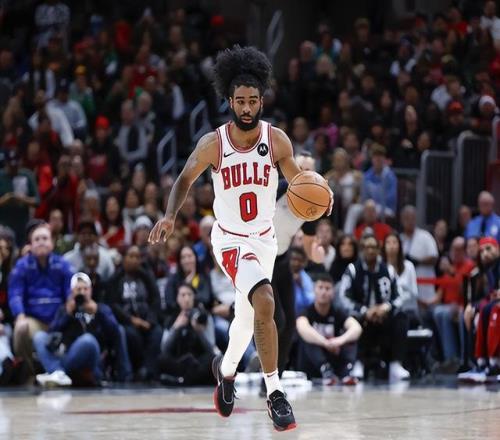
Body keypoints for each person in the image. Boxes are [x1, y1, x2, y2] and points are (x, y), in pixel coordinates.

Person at [149, 45, 332, 432]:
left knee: (248, 320)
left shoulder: (277, 140)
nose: (247, 108)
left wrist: (320, 197)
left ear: (261, 101)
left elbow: (298, 183)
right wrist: (170, 215)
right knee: (265, 300)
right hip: (230, 241)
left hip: (265, 240)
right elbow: (184, 178)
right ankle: (275, 393)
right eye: (240, 101)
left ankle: (226, 370)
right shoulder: (213, 144)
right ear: (230, 102)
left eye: (253, 101)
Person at [34, 272, 132, 387]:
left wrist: (98, 312)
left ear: (91, 290)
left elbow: (116, 332)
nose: (82, 292)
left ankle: (55, 371)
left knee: (87, 340)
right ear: (72, 292)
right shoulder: (65, 309)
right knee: (39, 337)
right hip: (68, 354)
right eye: (78, 289)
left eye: (85, 289)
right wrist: (67, 314)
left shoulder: (101, 308)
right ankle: (58, 372)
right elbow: (52, 333)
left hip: (93, 356)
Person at [338, 234, 410, 381]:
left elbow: (400, 296)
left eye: (373, 247)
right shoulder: (353, 269)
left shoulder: (388, 269)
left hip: (384, 316)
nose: (370, 250)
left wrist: (386, 307)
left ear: (378, 249)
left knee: (401, 317)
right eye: (366, 247)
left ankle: (396, 364)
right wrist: (365, 311)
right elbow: (343, 297)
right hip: (361, 315)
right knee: (351, 320)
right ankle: (357, 363)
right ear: (362, 249)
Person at [8, 222, 73, 374]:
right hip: (34, 320)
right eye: (37, 239)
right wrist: (20, 315)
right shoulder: (21, 266)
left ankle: (66, 369)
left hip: (58, 319)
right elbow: (15, 294)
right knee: (20, 328)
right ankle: (29, 372)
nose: (41, 242)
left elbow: (70, 290)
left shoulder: (63, 264)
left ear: (52, 242)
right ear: (30, 245)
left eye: (45, 238)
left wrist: (70, 303)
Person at [296, 273, 362, 384]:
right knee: (308, 338)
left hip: (333, 357)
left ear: (333, 292)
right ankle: (325, 370)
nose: (324, 292)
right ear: (314, 290)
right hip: (312, 363)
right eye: (320, 288)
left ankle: (347, 372)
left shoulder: (337, 311)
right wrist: (325, 343)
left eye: (327, 288)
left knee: (351, 339)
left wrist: (339, 341)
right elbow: (302, 327)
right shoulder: (307, 312)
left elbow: (356, 328)